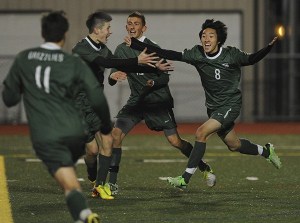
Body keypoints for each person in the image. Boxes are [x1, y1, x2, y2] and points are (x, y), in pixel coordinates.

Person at [126, 19, 282, 189]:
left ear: (219, 39)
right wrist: (136, 45)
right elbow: (169, 53)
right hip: (213, 107)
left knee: (201, 133)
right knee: (234, 145)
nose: (206, 39)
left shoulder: (231, 54)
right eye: (204, 36)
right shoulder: (197, 54)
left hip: (230, 104)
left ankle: (184, 179)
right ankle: (266, 151)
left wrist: (268, 47)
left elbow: (252, 59)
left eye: (211, 36)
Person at [1, 11, 110, 223]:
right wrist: (105, 126)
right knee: (72, 177)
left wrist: (21, 85)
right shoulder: (73, 61)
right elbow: (97, 97)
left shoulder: (25, 58)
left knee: (67, 181)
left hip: (47, 134)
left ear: (43, 33)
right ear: (64, 35)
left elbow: (9, 99)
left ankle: (83, 214)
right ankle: (85, 214)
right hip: (74, 131)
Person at [107, 12, 216, 195]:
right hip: (137, 101)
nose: (132, 26)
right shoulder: (121, 49)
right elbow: (113, 72)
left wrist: (153, 82)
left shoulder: (152, 48)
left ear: (144, 28)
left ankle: (203, 167)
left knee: (175, 141)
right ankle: (112, 183)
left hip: (157, 100)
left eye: (136, 23)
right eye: (129, 23)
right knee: (115, 135)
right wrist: (112, 76)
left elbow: (164, 76)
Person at [72, 10, 173, 200]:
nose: (110, 32)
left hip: (94, 104)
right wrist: (136, 61)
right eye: (108, 28)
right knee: (95, 149)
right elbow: (105, 61)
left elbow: (118, 64)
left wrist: (151, 65)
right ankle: (96, 178)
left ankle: (98, 185)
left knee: (103, 144)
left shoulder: (103, 48)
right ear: (97, 29)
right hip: (78, 105)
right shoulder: (81, 49)